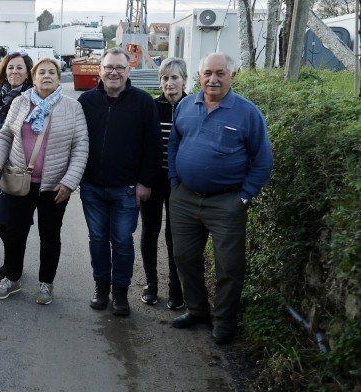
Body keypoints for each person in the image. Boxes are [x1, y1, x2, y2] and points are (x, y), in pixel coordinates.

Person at [168, 52, 273, 345]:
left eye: (220, 73)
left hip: (227, 202)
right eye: (207, 73)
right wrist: (175, 183)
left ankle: (224, 320)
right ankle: (197, 310)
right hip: (185, 198)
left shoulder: (248, 113)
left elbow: (262, 160)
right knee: (184, 257)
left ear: (232, 76)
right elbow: (175, 143)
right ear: (199, 76)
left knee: (229, 265)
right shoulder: (187, 105)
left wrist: (244, 197)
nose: (213, 79)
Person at [0, 57, 88, 305]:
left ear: (58, 77)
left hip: (54, 186)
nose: (46, 76)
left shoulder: (71, 107)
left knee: (50, 235)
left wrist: (69, 182)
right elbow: (4, 136)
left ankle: (46, 283)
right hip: (19, 181)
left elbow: (80, 148)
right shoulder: (21, 103)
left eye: (51, 72)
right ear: (33, 77)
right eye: (41, 72)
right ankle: (12, 278)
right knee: (15, 232)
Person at [78, 47, 162, 316]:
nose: (114, 73)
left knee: (123, 241)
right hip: (91, 187)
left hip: (127, 188)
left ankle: (120, 292)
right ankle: (101, 288)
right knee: (98, 239)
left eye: (120, 68)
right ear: (100, 70)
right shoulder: (86, 102)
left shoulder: (142, 102)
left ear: (129, 71)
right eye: (108, 67)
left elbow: (153, 146)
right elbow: (75, 142)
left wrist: (145, 182)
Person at [139, 57, 189, 309]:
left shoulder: (193, 105)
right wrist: (142, 180)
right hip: (153, 180)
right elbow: (142, 145)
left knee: (174, 235)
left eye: (175, 78)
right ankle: (151, 284)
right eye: (165, 78)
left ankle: (174, 287)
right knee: (150, 231)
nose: (169, 83)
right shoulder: (151, 106)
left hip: (180, 184)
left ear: (185, 80)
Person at [0, 52, 34, 280]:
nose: (14, 72)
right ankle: (10, 260)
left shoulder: (31, 98)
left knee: (13, 221)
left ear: (28, 72)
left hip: (15, 166)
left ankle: (13, 266)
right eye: (10, 68)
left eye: (20, 68)